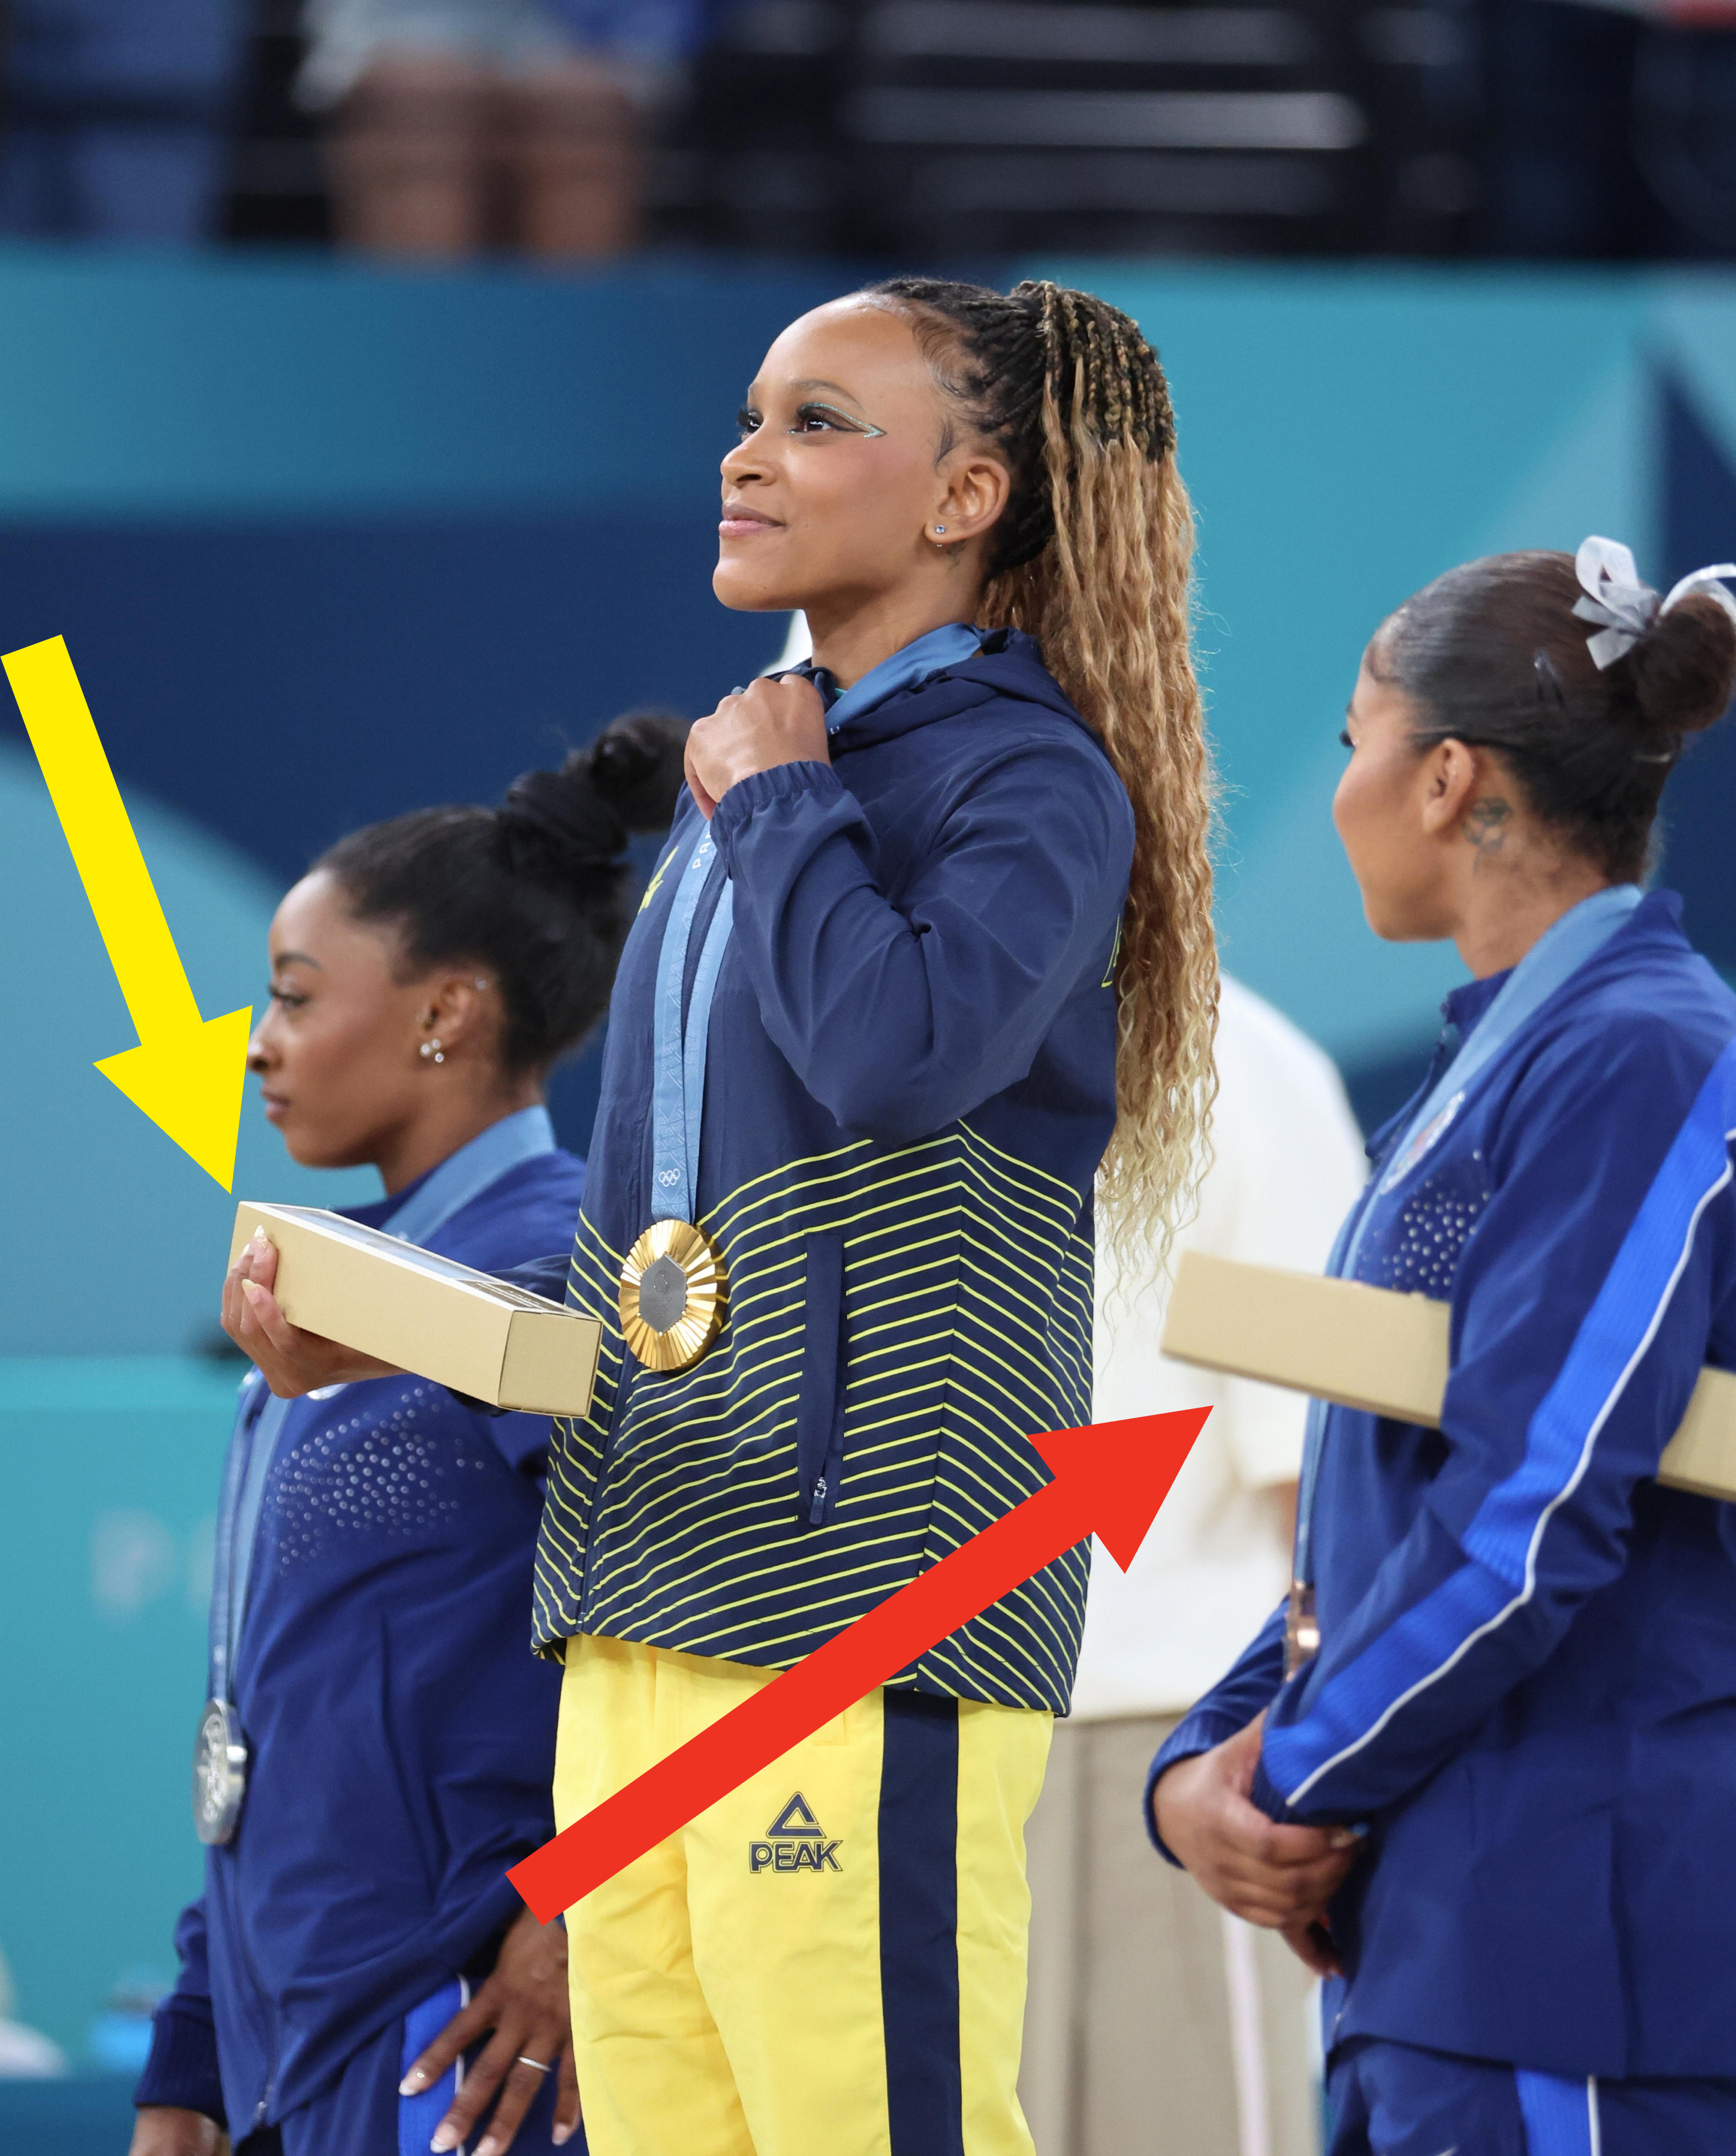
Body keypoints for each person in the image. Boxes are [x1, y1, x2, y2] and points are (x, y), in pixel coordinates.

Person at [230, 276, 1218, 2155]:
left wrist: (780, 805)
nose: (746, 453)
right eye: (753, 411)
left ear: (965, 497)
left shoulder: (1020, 778)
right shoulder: (761, 769)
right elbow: (679, 1259)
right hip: (642, 1593)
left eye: (819, 420)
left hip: (871, 1609)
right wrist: (418, 1349)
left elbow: (900, 1058)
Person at [1150, 538, 1736, 2153]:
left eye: (1355, 744)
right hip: (1434, 1940)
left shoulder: (1644, 1055)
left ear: (1450, 780)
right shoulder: (1495, 1072)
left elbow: (1530, 1514)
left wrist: (1281, 1784)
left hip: (1575, 1951)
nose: (1335, 790)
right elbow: (1377, 1528)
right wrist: (1198, 1769)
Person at [130, 711, 687, 2156]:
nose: (256, 1046)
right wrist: (190, 2067)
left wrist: (573, 1913)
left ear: (447, 1011)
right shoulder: (325, 1299)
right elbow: (261, 1722)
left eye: (299, 999)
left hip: (461, 2057)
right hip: (293, 2061)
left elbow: (694, 1635)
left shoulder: (561, 1270)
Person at [1022, 975, 1366, 2156]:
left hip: (1170, 1745)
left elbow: (1329, 1490)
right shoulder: (910, 1051)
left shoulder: (1250, 1073)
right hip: (943, 1744)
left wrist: (1272, 1770)